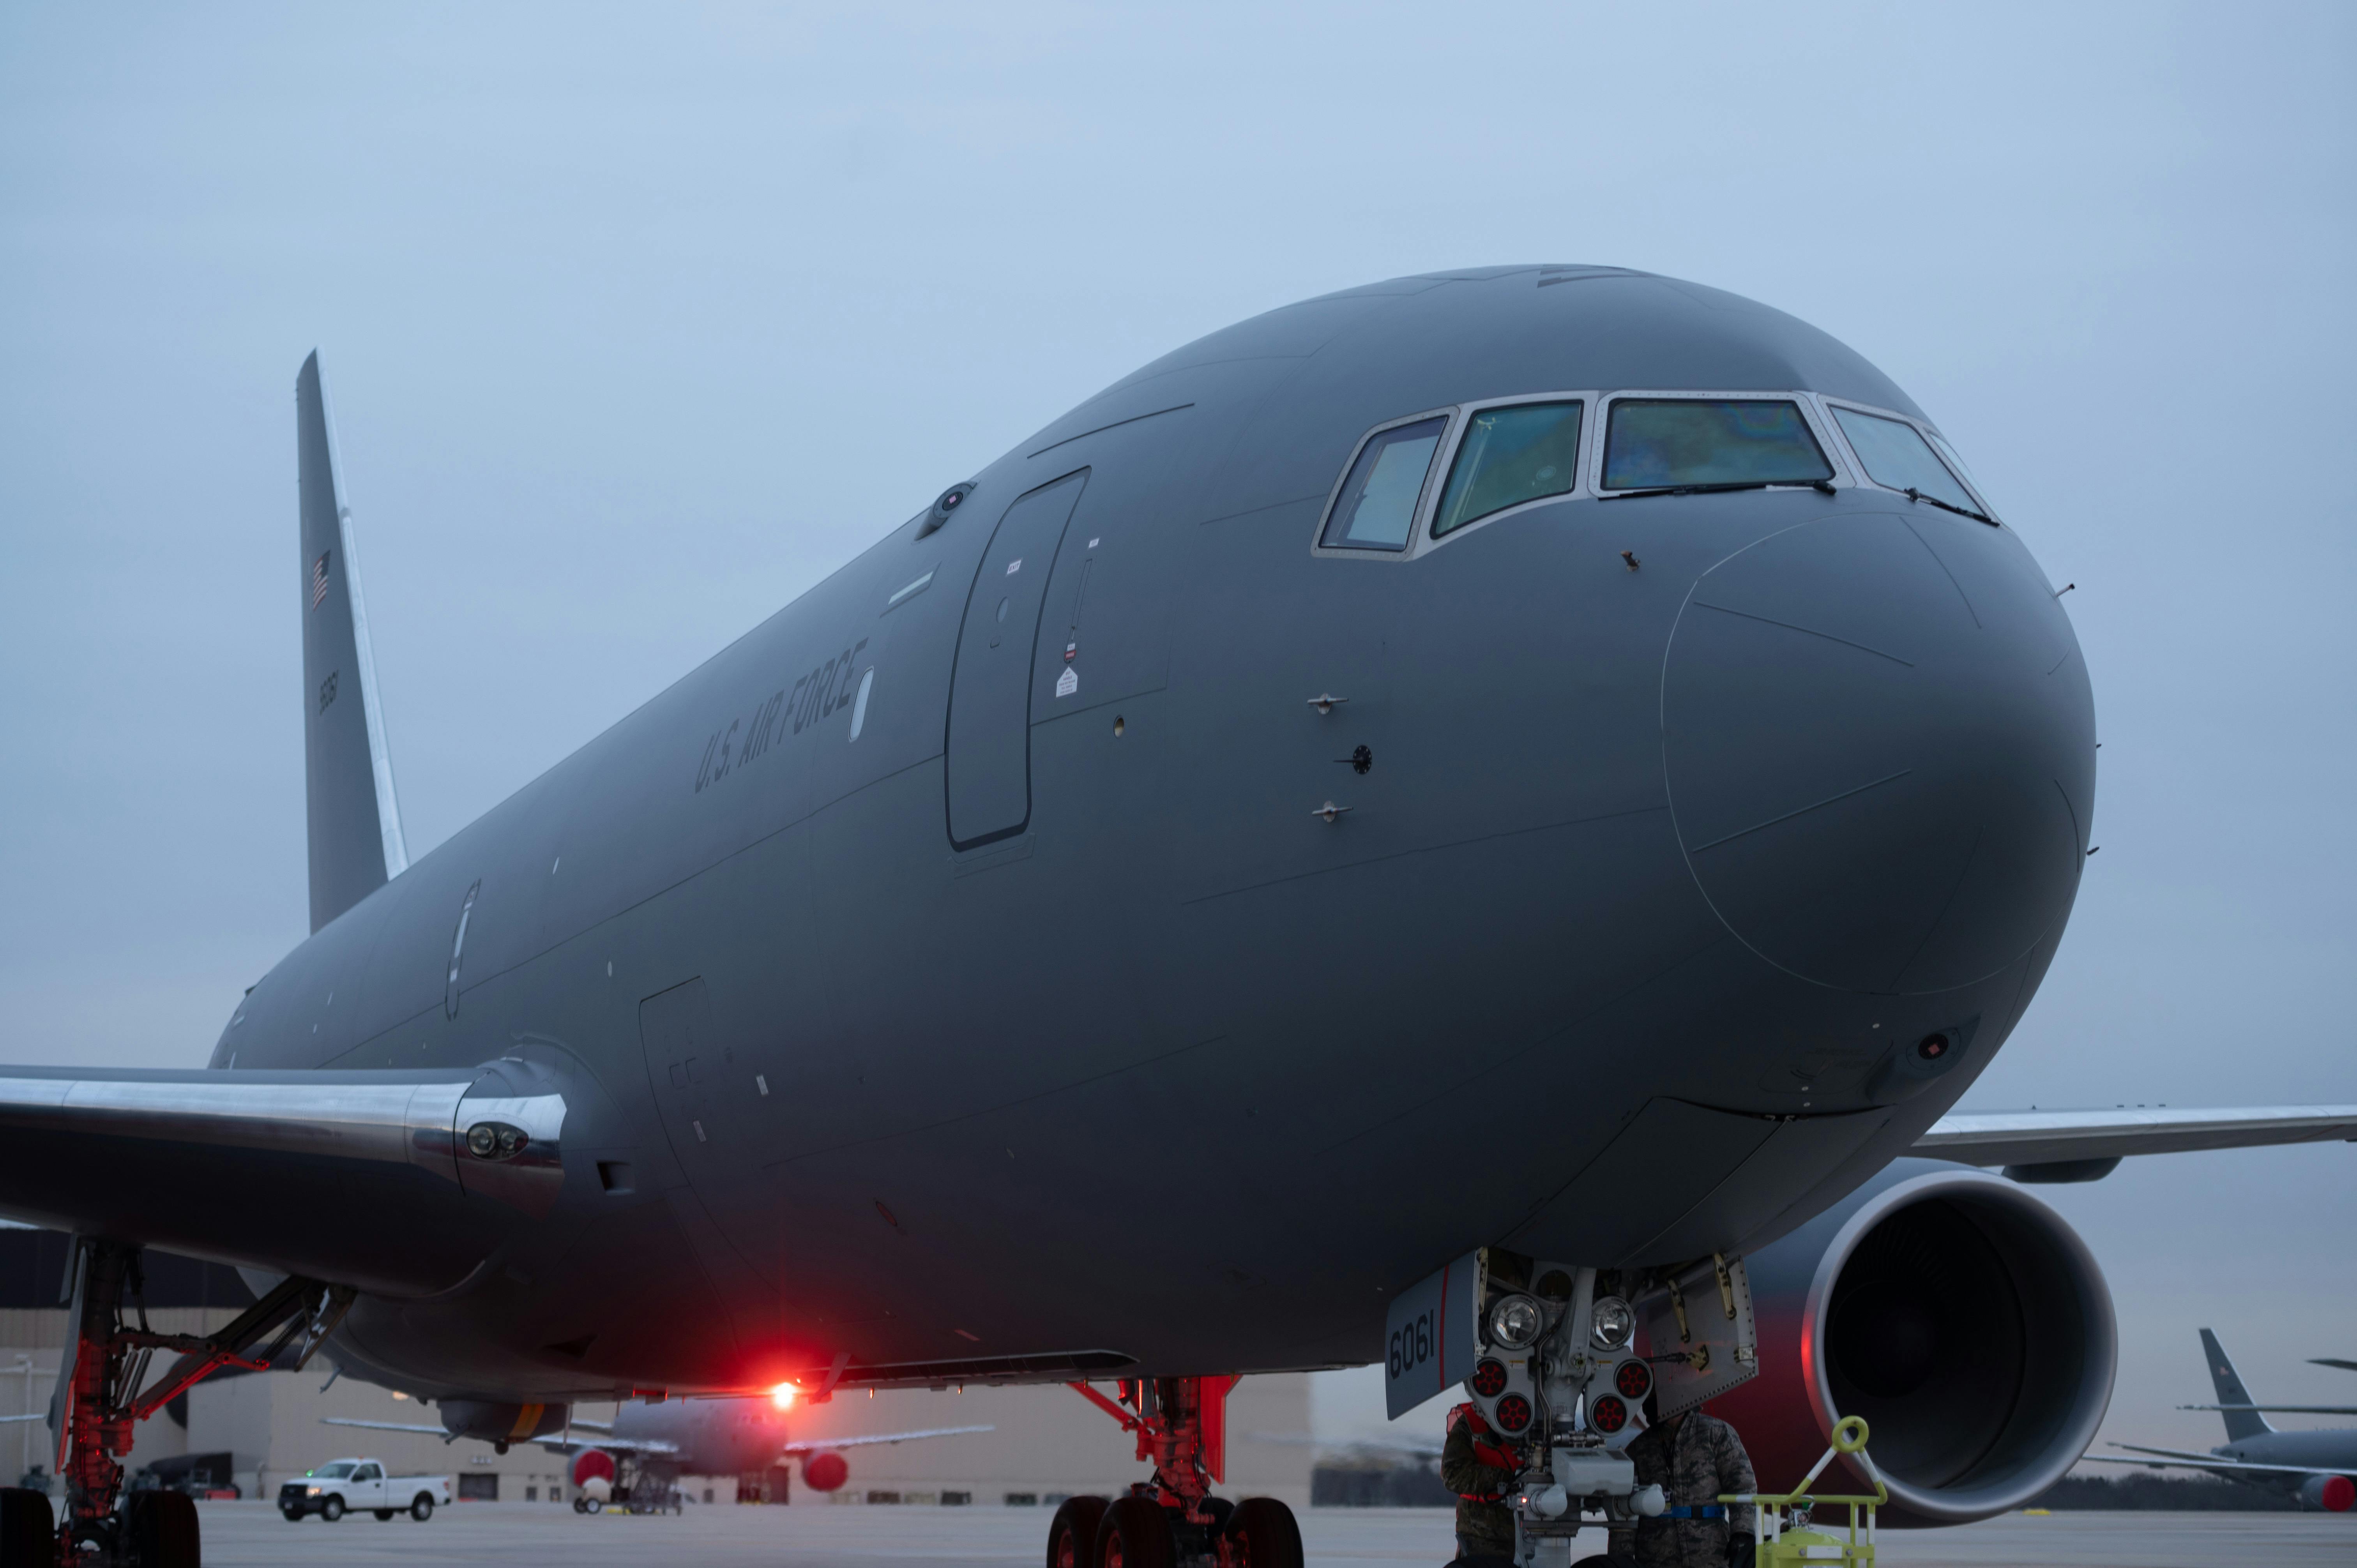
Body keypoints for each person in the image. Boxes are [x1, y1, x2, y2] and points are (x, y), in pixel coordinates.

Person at [1616, 1401, 1756, 1568]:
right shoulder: (1639, 1447)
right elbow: (1624, 1509)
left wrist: (1743, 1533)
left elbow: (1742, 1485)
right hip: (1655, 1559)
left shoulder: (1715, 1434)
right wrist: (1619, 1560)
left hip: (1710, 1555)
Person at [1439, 1400, 1520, 1564]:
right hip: (1482, 1539)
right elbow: (1452, 1475)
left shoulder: (1545, 1423)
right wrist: (1506, 1478)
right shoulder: (1471, 1423)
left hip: (1537, 1536)